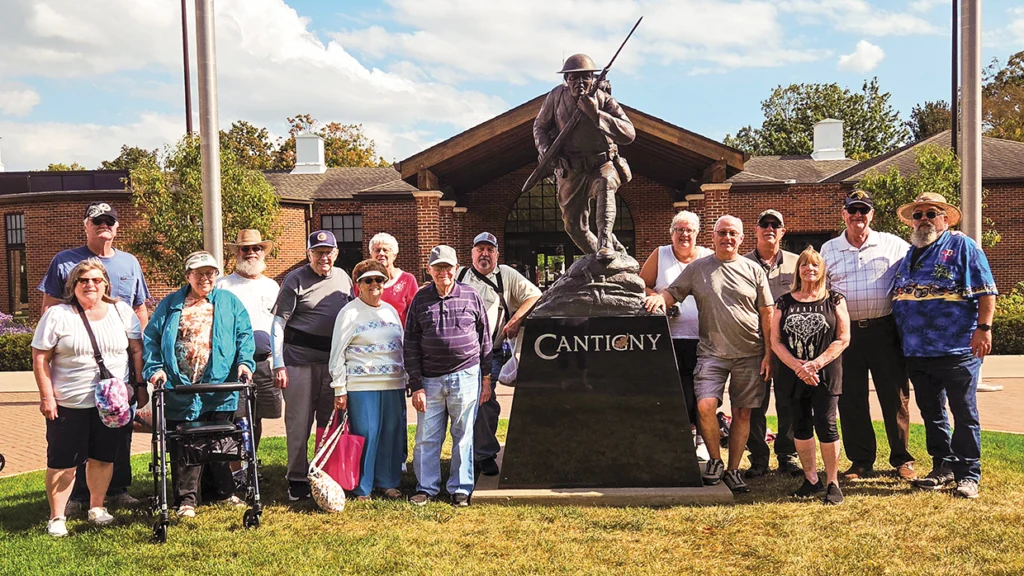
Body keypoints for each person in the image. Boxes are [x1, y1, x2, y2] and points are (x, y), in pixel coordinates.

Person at [643, 215, 773, 494]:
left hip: (749, 353)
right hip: (711, 353)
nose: (727, 238)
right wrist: (657, 298)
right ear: (713, 237)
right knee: (704, 407)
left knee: (742, 412)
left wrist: (769, 353)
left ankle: (733, 469)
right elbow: (671, 293)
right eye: (722, 233)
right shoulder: (698, 268)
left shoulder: (753, 270)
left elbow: (767, 313)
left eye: (732, 234)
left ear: (741, 238)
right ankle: (715, 460)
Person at [38, 201, 150, 513]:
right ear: (86, 225)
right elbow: (48, 308)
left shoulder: (129, 263)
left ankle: (116, 491)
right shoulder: (64, 261)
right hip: (76, 363)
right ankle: (75, 498)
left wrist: (144, 358)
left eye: (109, 221)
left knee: (116, 431)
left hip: (118, 368)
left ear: (117, 227)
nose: (104, 225)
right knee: (76, 435)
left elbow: (139, 309)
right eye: (97, 220)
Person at [891, 193, 997, 499]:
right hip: (917, 352)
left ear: (945, 219)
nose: (924, 219)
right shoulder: (910, 254)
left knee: (963, 412)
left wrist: (984, 329)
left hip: (957, 349)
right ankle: (943, 466)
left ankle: (968, 474)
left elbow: (986, 290)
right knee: (932, 413)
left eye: (931, 213)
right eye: (918, 214)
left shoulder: (963, 246)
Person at [32, 259, 143, 537]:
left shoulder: (121, 311)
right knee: (63, 462)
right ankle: (57, 517)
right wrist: (47, 396)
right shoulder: (58, 314)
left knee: (104, 457)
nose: (90, 285)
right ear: (73, 285)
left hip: (112, 404)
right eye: (83, 280)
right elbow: (40, 357)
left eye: (96, 280)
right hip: (69, 402)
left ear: (105, 283)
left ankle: (97, 507)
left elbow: (137, 350)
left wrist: (139, 387)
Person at [143, 251, 255, 518]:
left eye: (210, 273)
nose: (205, 278)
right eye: (199, 273)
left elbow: (244, 336)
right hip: (180, 387)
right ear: (188, 276)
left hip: (219, 386)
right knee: (185, 441)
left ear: (216, 275)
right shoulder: (171, 304)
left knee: (219, 439)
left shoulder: (229, 302)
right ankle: (186, 500)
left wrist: (244, 363)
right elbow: (151, 339)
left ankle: (224, 492)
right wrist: (155, 369)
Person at [821, 190, 917, 481]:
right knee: (851, 399)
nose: (858, 216)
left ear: (871, 215)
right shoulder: (829, 249)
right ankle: (861, 460)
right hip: (846, 334)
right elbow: (821, 292)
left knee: (895, 396)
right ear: (844, 214)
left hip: (885, 330)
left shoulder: (893, 244)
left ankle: (902, 459)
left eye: (863, 210)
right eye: (853, 210)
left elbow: (915, 275)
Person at [405, 245, 492, 507]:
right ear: (429, 270)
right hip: (430, 380)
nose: (443, 272)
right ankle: (426, 487)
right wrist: (416, 385)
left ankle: (461, 488)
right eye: (438, 267)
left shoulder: (471, 295)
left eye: (448, 267)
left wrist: (486, 378)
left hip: (466, 375)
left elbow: (484, 337)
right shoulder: (420, 299)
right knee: (426, 436)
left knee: (463, 434)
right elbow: (410, 343)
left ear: (456, 269)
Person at [272, 230, 354, 501]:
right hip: (299, 362)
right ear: (308, 254)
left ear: (336, 253)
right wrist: (278, 363)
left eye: (328, 252)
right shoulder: (294, 279)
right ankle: (296, 477)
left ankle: (324, 472)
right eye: (318, 252)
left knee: (331, 420)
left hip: (332, 364)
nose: (324, 257)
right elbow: (278, 324)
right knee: (299, 422)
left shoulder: (343, 278)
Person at [532, 53, 636, 258]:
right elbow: (540, 127)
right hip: (571, 169)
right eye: (574, 77)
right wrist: (544, 150)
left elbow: (629, 133)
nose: (580, 82)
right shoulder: (555, 97)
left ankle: (605, 242)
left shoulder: (604, 100)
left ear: (593, 79)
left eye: (586, 77)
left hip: (601, 163)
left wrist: (597, 115)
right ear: (566, 80)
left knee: (606, 183)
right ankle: (604, 258)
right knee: (574, 227)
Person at [457, 231, 541, 476]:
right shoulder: (460, 275)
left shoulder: (506, 275)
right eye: (480, 249)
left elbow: (535, 295)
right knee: (459, 404)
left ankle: (484, 454)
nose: (484, 254)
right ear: (472, 252)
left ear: (496, 254)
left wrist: (515, 320)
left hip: (489, 354)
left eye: (489, 250)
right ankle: (463, 456)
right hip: (459, 355)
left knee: (485, 403)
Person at [771, 248, 851, 505]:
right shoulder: (784, 302)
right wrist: (798, 367)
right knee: (801, 424)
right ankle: (811, 479)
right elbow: (775, 341)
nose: (810, 269)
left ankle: (832, 482)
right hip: (793, 374)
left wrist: (815, 365)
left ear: (822, 270)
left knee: (827, 424)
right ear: (799, 270)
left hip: (825, 374)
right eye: (805, 265)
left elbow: (843, 338)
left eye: (815, 265)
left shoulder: (835, 299)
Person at [328, 259, 407, 501]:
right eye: (368, 280)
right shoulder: (349, 313)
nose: (374, 284)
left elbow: (401, 346)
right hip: (362, 387)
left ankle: (388, 481)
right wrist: (339, 388)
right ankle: (363, 486)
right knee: (367, 433)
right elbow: (337, 353)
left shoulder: (391, 311)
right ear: (358, 285)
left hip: (393, 384)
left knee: (391, 432)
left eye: (379, 280)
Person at [638, 210, 713, 462]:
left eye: (689, 230)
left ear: (697, 233)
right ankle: (679, 436)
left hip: (703, 336)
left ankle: (702, 440)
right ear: (671, 232)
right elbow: (641, 285)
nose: (684, 234)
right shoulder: (661, 254)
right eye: (679, 229)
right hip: (669, 336)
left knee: (702, 389)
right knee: (678, 389)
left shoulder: (707, 257)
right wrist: (658, 299)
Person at [743, 209, 801, 478]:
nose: (769, 228)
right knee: (755, 403)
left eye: (774, 225)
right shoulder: (741, 264)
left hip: (791, 345)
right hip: (753, 343)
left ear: (782, 231)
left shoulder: (797, 263)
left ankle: (787, 455)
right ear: (755, 231)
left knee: (789, 402)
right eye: (763, 224)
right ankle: (758, 458)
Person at [216, 229, 282, 452]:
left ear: (263, 252)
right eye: (246, 248)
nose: (251, 253)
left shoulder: (272, 286)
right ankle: (234, 468)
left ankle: (251, 466)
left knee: (257, 417)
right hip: (233, 364)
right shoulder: (223, 285)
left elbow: (279, 325)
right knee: (235, 416)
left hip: (264, 362)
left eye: (257, 248)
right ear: (237, 253)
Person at [368, 232, 419, 327]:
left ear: (394, 255)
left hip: (400, 337)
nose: (381, 254)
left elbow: (416, 313)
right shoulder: (365, 281)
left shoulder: (407, 280)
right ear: (371, 255)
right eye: (377, 250)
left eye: (386, 250)